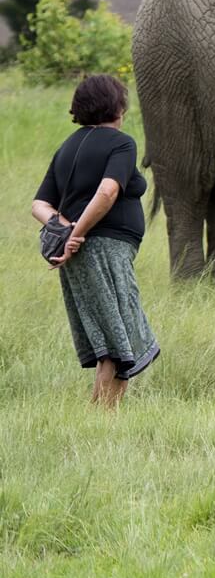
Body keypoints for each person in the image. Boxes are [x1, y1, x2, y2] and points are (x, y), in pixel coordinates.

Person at [31, 75, 159, 407]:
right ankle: (100, 419)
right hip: (104, 250)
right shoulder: (122, 143)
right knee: (117, 344)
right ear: (116, 106)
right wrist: (75, 233)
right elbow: (108, 191)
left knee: (113, 340)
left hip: (82, 254)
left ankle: (106, 417)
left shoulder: (67, 147)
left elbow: (39, 206)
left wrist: (65, 230)